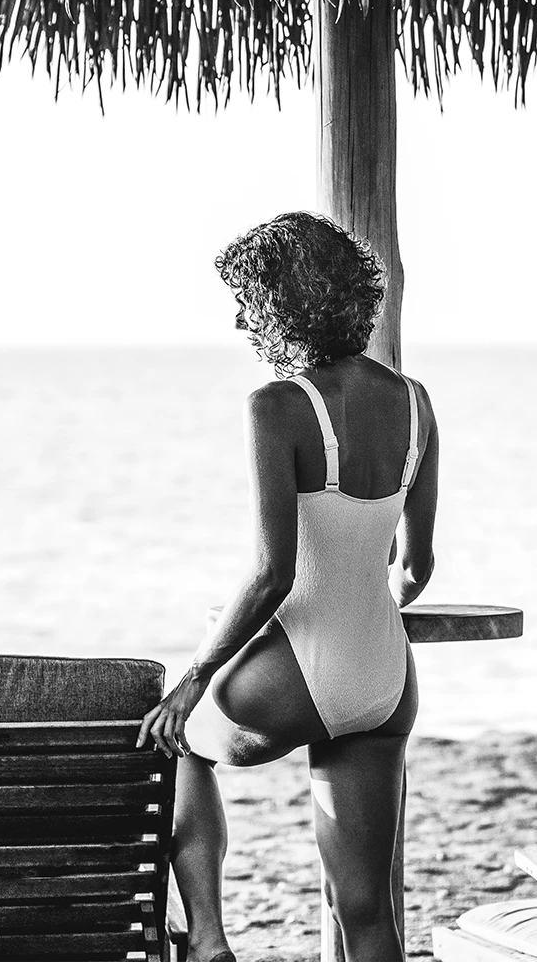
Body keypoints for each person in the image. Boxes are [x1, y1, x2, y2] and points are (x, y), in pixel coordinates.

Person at [138, 211, 438, 962]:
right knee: (364, 912)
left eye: (249, 303)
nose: (243, 322)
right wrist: (360, 605)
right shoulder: (416, 403)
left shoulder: (276, 406)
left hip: (303, 667)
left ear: (284, 303)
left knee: (176, 743)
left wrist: (195, 677)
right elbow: (415, 568)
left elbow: (272, 574)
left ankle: (209, 939)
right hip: (385, 676)